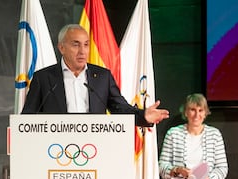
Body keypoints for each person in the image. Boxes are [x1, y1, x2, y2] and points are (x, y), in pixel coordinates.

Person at [21, 24, 169, 126]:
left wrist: (143, 116)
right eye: (75, 44)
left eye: (86, 44)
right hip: (55, 149)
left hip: (93, 148)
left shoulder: (102, 77)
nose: (82, 51)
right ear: (61, 48)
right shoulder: (44, 78)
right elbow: (27, 119)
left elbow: (120, 108)